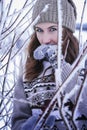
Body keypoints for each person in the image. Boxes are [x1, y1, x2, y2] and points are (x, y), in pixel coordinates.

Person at [11, 0, 87, 130]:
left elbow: (84, 105)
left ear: (67, 30)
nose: (45, 40)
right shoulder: (27, 72)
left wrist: (61, 66)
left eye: (52, 29)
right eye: (39, 30)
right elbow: (19, 119)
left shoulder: (83, 62)